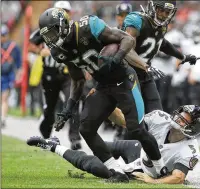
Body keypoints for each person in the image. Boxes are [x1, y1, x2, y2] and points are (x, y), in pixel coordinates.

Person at [38, 8, 169, 181]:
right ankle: (117, 172)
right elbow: (77, 81)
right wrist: (68, 109)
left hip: (124, 80)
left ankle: (160, 169)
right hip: (103, 86)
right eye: (47, 36)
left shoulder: (88, 26)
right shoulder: (59, 52)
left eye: (53, 33)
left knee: (136, 130)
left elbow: (127, 39)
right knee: (86, 128)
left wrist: (116, 58)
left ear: (63, 26)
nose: (51, 39)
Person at [27, 105, 200, 184]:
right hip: (139, 149)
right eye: (180, 114)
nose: (178, 118)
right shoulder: (161, 118)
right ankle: (56, 141)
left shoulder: (189, 149)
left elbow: (178, 177)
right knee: (99, 147)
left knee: (98, 167)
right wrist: (108, 105)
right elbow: (128, 122)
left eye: (184, 120)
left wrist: (153, 181)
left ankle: (52, 146)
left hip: (142, 168)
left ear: (192, 128)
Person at [121, 0, 200, 113]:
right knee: (133, 116)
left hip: (145, 74)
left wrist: (183, 57)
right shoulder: (137, 20)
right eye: (161, 10)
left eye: (167, 12)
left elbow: (162, 43)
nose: (163, 15)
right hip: (126, 72)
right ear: (152, 7)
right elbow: (127, 50)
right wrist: (145, 66)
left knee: (156, 114)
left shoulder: (161, 26)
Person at [28, 1, 82, 150]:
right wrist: (40, 51)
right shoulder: (47, 26)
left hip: (68, 74)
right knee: (50, 108)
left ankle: (75, 138)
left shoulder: (74, 29)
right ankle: (45, 136)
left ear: (70, 13)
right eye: (60, 10)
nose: (62, 13)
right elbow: (32, 43)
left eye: (65, 10)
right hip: (50, 73)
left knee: (73, 104)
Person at [1, 24, 22, 127]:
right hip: (4, 75)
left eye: (3, 35)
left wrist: (18, 74)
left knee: (4, 98)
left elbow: (19, 62)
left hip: (8, 75)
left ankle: (3, 118)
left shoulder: (13, 46)